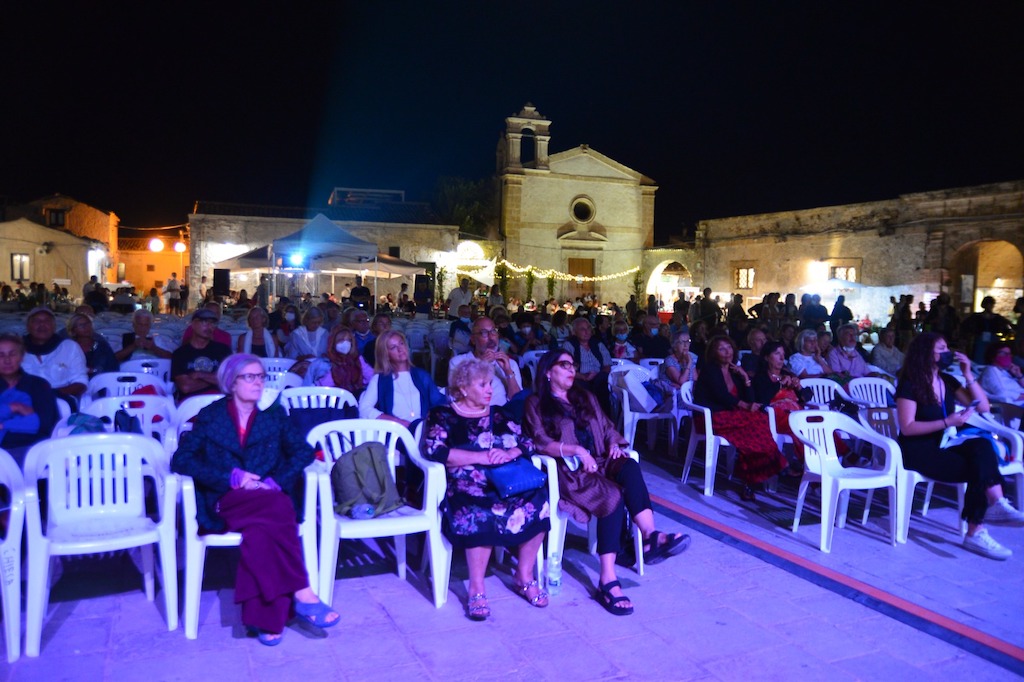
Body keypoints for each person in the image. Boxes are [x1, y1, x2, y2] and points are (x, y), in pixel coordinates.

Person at [171, 354, 339, 644]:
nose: (258, 382)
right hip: (226, 498)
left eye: (261, 376)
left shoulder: (273, 417)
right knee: (280, 507)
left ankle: (265, 621)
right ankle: (302, 591)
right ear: (231, 382)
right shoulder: (211, 416)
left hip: (267, 496)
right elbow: (182, 459)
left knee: (262, 530)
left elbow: (303, 451)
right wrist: (231, 476)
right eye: (250, 376)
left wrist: (276, 480)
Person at [524, 350, 689, 616]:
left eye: (572, 365)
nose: (571, 370)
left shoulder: (584, 396)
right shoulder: (536, 403)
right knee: (611, 494)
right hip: (571, 473)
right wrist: (577, 451)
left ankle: (651, 536)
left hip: (600, 460)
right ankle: (607, 580)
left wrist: (613, 443)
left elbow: (608, 426)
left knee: (630, 466)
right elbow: (541, 442)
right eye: (564, 365)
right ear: (547, 371)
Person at [422, 358, 549, 620]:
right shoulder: (443, 414)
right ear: (464, 388)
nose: (490, 389)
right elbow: (436, 451)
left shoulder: (500, 414)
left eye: (490, 383)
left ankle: (524, 575)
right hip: (466, 484)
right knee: (479, 509)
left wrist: (509, 452)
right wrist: (479, 457)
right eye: (483, 385)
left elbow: (527, 442)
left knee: (539, 500)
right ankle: (476, 587)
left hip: (503, 480)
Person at [896, 333, 1024, 559]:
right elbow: (907, 427)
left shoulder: (947, 381)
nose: (948, 353)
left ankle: (997, 502)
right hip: (918, 449)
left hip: (945, 442)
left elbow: (983, 407)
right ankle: (976, 530)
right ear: (926, 353)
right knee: (979, 468)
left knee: (982, 446)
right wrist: (947, 422)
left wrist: (968, 374)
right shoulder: (911, 383)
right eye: (942, 348)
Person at [693, 335, 788, 501]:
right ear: (714, 352)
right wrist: (745, 406)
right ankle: (776, 461)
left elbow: (750, 398)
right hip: (711, 418)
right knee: (755, 421)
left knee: (756, 427)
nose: (727, 351)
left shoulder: (734, 371)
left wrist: (745, 378)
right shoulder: (710, 370)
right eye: (721, 348)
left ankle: (749, 482)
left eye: (729, 347)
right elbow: (721, 396)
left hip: (733, 417)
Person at [358, 330, 446, 428]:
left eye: (401, 343)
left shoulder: (422, 375)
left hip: (422, 430)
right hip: (396, 432)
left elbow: (438, 402)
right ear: (385, 354)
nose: (400, 349)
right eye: (393, 347)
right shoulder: (379, 380)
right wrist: (397, 422)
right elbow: (364, 409)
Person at [0, 332, 58, 464]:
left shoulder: (39, 385)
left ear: (22, 356)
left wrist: (4, 425)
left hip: (31, 449)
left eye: (12, 354)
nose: (7, 360)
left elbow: (45, 425)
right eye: (1, 355)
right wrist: (17, 409)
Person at [449, 317, 523, 408]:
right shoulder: (458, 362)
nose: (491, 337)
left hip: (503, 417)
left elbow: (516, 401)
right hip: (473, 417)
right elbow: (458, 398)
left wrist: (508, 372)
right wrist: (481, 365)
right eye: (484, 333)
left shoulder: (510, 364)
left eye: (493, 331)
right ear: (473, 339)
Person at [21, 306, 88, 406]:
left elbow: (81, 382)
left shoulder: (69, 347)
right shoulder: (14, 348)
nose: (42, 325)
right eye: (36, 321)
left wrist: (48, 395)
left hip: (61, 402)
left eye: (47, 321)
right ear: (28, 326)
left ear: (54, 326)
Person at [171, 308, 233, 402]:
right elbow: (186, 387)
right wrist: (216, 379)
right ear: (193, 324)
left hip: (220, 403)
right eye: (204, 322)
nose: (209, 326)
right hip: (190, 406)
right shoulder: (180, 354)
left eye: (212, 323)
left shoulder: (223, 350)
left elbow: (230, 380)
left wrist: (200, 375)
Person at [305, 325, 374, 396]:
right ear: (333, 342)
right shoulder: (322, 364)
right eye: (341, 340)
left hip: (355, 401)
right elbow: (310, 390)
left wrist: (357, 362)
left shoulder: (357, 360)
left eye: (349, 340)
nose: (346, 343)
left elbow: (373, 378)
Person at [66, 312, 118, 378]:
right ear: (73, 331)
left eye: (88, 323)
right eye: (81, 325)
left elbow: (112, 368)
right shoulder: (68, 348)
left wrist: (95, 371)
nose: (86, 327)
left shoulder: (102, 346)